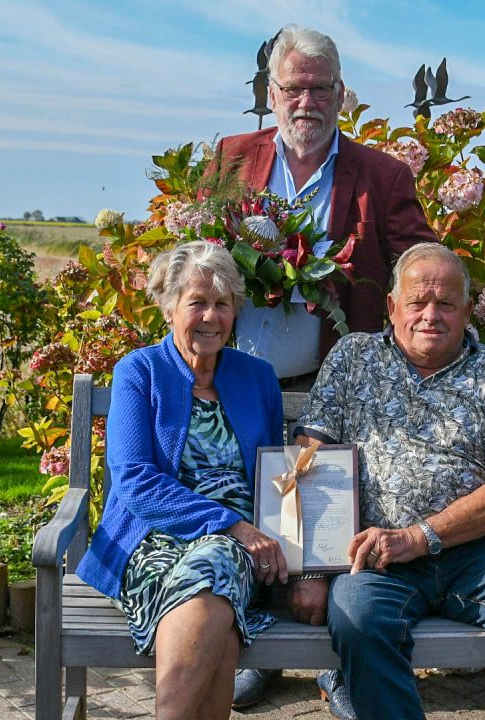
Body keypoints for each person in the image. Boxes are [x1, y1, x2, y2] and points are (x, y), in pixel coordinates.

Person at [292, 243, 485, 720]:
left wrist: (419, 537)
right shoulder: (353, 357)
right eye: (417, 302)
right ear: (391, 307)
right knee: (358, 617)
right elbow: (310, 461)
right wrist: (313, 570)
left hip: (478, 551)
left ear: (467, 311)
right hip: (376, 555)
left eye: (446, 303)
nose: (431, 315)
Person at [75, 240, 287, 720]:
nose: (211, 316)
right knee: (218, 611)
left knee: (216, 568)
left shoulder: (258, 377)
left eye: (222, 303)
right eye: (197, 302)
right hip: (152, 539)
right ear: (169, 307)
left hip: (237, 551)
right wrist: (232, 525)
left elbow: (276, 473)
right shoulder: (140, 371)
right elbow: (134, 480)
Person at [207, 24, 436, 388]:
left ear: (339, 94)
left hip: (331, 391)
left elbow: (425, 271)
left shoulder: (382, 177)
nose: (306, 103)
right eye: (294, 89)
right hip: (225, 380)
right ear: (272, 94)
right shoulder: (232, 157)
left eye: (320, 89)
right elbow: (196, 255)